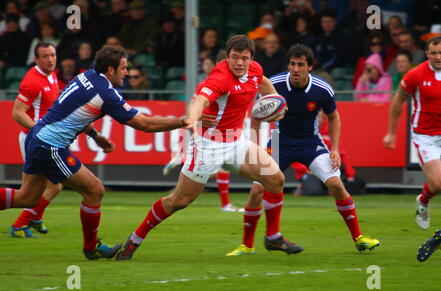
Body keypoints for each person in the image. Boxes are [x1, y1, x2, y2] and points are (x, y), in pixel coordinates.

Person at [116, 35, 302, 260]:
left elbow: (262, 82)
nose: (240, 63)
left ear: (251, 58)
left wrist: (275, 101)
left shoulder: (254, 69)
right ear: (227, 57)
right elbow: (199, 102)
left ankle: (273, 237)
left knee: (275, 180)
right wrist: (193, 122)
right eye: (234, 58)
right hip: (208, 145)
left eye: (244, 58)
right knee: (179, 201)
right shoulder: (220, 77)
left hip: (236, 141)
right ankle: (135, 239)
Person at [0, 45, 194, 260]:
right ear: (110, 70)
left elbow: (72, 109)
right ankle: (91, 247)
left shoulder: (87, 76)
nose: (126, 72)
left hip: (37, 138)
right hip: (49, 146)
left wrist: (95, 136)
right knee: (94, 190)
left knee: (27, 198)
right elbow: (144, 124)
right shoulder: (105, 92)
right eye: (123, 68)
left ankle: (91, 247)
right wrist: (181, 121)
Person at [226, 44, 380, 256]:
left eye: (300, 64)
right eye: (292, 64)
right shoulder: (274, 84)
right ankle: (247, 245)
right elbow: (256, 115)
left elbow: (334, 117)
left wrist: (334, 149)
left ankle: (359, 238)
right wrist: (254, 147)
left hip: (310, 143)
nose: (295, 69)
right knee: (257, 190)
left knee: (336, 184)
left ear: (310, 67)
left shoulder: (322, 89)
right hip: (280, 142)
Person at [383, 36, 441, 262]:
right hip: (425, 136)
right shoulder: (415, 75)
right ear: (427, 54)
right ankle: (423, 199)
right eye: (434, 53)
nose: (438, 57)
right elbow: (397, 102)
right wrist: (391, 132)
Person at [163, 51, 242, 213]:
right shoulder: (207, 86)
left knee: (221, 170)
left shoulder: (240, 85)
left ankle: (224, 203)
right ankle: (178, 191)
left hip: (228, 135)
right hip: (209, 137)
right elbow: (193, 108)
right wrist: (197, 123)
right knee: (190, 190)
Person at [8, 42, 61, 238]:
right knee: (52, 186)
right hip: (34, 140)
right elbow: (17, 112)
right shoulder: (32, 81)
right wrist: (38, 130)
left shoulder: (52, 75)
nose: (50, 59)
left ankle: (35, 217)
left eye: (53, 55)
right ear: (36, 59)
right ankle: (22, 223)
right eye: (45, 56)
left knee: (37, 189)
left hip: (45, 139)